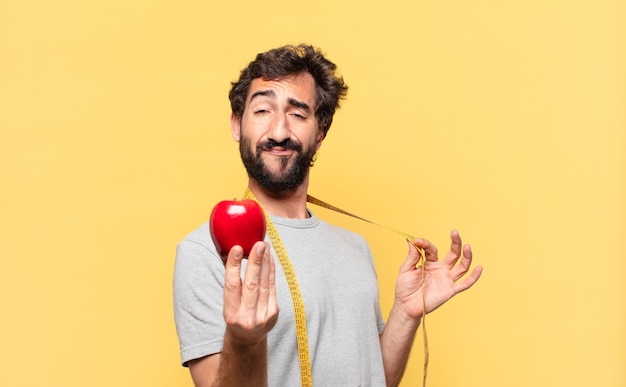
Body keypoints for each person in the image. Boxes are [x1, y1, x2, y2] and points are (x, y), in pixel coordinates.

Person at [173, 44, 483, 387]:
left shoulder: (355, 247)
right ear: (237, 125)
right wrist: (246, 340)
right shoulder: (206, 250)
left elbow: (373, 378)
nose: (279, 132)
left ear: (319, 133)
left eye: (298, 113)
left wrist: (406, 313)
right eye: (262, 110)